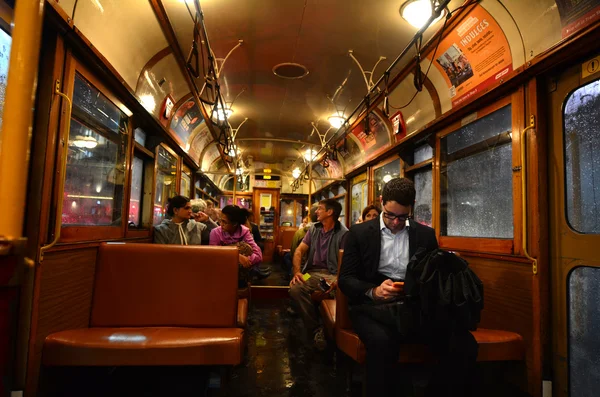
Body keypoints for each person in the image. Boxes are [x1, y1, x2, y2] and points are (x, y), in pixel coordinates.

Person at [338, 177, 477, 397]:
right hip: (371, 309)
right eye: (390, 215)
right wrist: (374, 291)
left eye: (403, 217)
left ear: (411, 208)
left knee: (462, 343)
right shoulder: (359, 233)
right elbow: (345, 279)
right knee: (383, 343)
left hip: (413, 307)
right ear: (382, 202)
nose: (395, 222)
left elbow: (433, 278)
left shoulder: (425, 235)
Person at [289, 199, 348, 350]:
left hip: (332, 274)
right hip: (311, 273)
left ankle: (333, 330)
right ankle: (316, 328)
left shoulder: (344, 234)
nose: (316, 211)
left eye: (320, 209)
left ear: (330, 212)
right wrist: (297, 272)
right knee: (295, 287)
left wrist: (339, 280)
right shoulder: (314, 229)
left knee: (330, 287)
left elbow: (345, 262)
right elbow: (299, 251)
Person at [209, 205, 263, 287]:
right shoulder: (215, 232)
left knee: (245, 248)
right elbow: (214, 255)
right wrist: (236, 255)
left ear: (235, 223)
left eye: (225, 222)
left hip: (241, 273)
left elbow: (258, 255)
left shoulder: (244, 231)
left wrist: (247, 260)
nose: (221, 224)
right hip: (221, 269)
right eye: (220, 221)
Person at [282, 205, 318, 277]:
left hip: (305, 272)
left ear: (309, 216)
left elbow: (293, 252)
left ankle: (290, 274)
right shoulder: (330, 233)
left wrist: (297, 272)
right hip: (324, 273)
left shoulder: (300, 233)